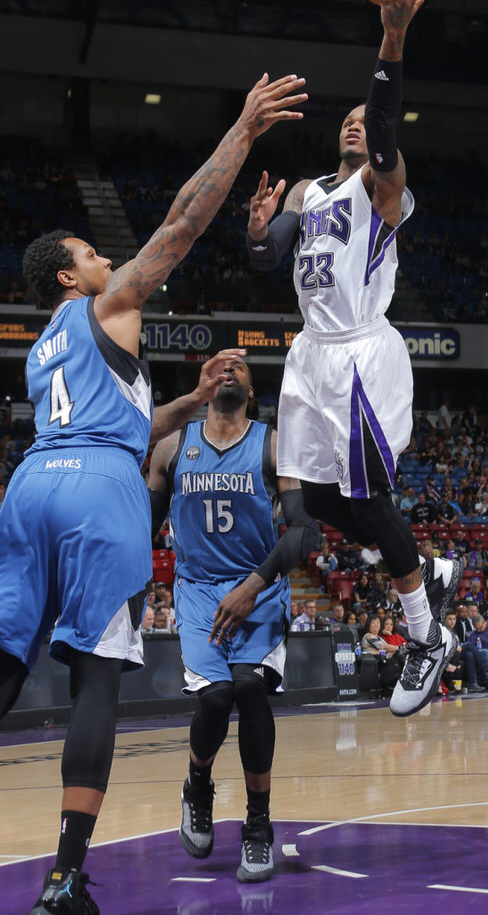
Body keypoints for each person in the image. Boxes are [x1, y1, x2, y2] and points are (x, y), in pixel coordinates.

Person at [0, 71, 306, 915]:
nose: (107, 260)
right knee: (97, 682)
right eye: (91, 256)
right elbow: (178, 223)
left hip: (30, 485)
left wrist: (190, 402)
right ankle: (65, 877)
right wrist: (241, 132)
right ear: (69, 278)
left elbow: (123, 421)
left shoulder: (44, 348)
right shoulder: (108, 307)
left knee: (4, 665)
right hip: (100, 493)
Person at [245, 0, 459, 716]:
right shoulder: (309, 192)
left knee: (368, 503)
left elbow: (388, 117)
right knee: (320, 506)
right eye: (349, 119)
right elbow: (269, 255)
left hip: (364, 353)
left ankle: (425, 634)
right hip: (309, 355)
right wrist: (255, 231)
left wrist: (391, 41)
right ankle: (425, 566)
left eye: (365, 121)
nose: (355, 122)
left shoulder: (383, 189)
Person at [148, 356, 318, 884]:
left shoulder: (272, 445)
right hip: (198, 591)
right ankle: (198, 783)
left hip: (258, 586)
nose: (228, 369)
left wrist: (254, 585)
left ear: (250, 387)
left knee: (248, 690)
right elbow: (142, 527)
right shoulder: (173, 445)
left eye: (239, 365)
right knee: (216, 697)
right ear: (202, 381)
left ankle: (258, 825)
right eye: (217, 364)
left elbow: (303, 531)